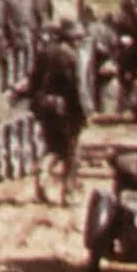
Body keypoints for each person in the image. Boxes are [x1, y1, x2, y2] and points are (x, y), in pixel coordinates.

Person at [24, 20, 95, 204]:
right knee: (71, 151)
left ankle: (43, 171)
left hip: (44, 105)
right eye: (78, 38)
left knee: (52, 147)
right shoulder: (71, 57)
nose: (79, 42)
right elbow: (77, 87)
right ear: (72, 38)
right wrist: (85, 111)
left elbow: (33, 81)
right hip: (65, 108)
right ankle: (69, 193)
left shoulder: (44, 53)